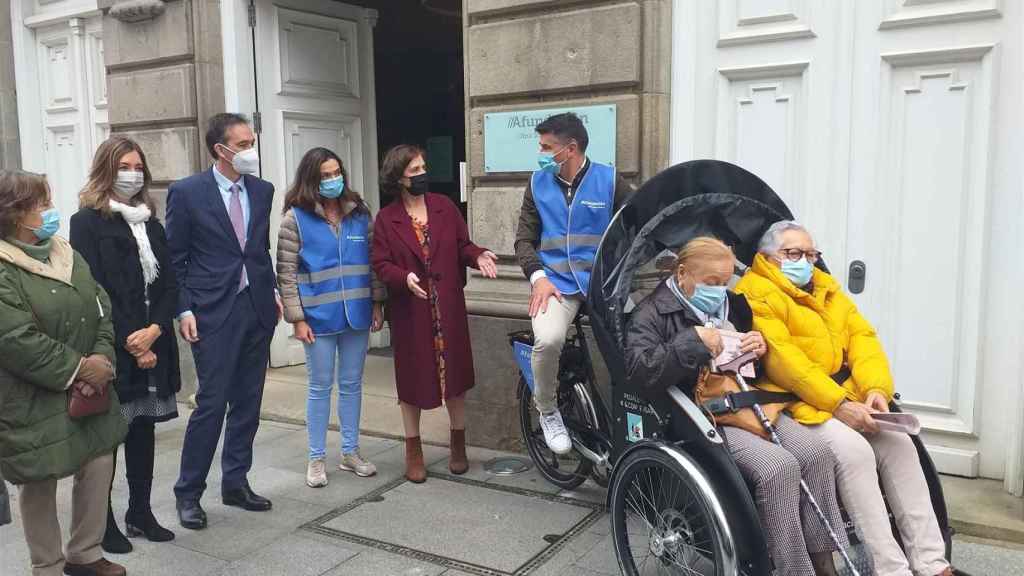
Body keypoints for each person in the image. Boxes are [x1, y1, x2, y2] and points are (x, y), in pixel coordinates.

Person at [735, 221, 953, 576]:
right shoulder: (755, 293)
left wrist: (875, 390)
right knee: (855, 453)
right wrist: (839, 405)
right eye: (793, 253)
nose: (805, 262)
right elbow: (786, 363)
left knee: (900, 443)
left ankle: (932, 563)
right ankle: (891, 569)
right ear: (768, 257)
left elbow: (863, 339)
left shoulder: (827, 288)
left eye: (811, 254)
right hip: (795, 401)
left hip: (847, 394)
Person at [626, 237, 847, 576]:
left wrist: (758, 348)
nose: (719, 291)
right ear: (682, 274)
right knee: (779, 468)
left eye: (725, 281)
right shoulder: (650, 313)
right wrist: (692, 342)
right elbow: (641, 372)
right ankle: (793, 570)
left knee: (817, 454)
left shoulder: (734, 305)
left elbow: (753, 368)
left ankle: (824, 561)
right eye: (711, 282)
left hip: (746, 400)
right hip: (701, 413)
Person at [0, 169, 127, 576]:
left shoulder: (65, 251)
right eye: (42, 204)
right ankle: (48, 566)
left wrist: (102, 360)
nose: (50, 210)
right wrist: (80, 369)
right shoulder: (4, 266)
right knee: (38, 478)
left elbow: (101, 307)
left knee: (98, 462)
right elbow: (15, 338)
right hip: (32, 395)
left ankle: (84, 554)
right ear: (15, 213)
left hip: (90, 387)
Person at [167, 113, 281, 530]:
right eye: (244, 144)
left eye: (252, 141)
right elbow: (174, 259)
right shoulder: (187, 192)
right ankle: (188, 493)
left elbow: (258, 249)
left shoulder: (263, 191)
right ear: (221, 150)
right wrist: (183, 309)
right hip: (212, 311)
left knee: (248, 403)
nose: (252, 150)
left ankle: (235, 482)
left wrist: (271, 290)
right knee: (212, 403)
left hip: (256, 308)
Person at [70, 136, 180, 552]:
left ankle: (140, 511)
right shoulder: (87, 222)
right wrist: (134, 340)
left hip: (154, 341)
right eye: (124, 167)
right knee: (109, 434)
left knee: (143, 429)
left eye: (138, 167)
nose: (133, 174)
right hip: (114, 345)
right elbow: (93, 289)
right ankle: (104, 522)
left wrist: (155, 330)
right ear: (106, 170)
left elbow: (169, 283)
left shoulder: (152, 223)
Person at [371, 144, 497, 483]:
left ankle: (458, 443)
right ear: (398, 177)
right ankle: (413, 449)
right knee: (412, 379)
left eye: (423, 167)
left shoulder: (444, 206)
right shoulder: (386, 219)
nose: (422, 174)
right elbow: (381, 263)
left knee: (455, 377)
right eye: (414, 170)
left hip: (447, 307)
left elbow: (462, 246)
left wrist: (478, 255)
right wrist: (403, 277)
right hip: (411, 310)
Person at [514, 112, 633, 455]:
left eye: (546, 147)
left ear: (570, 148)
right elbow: (523, 240)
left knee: (635, 343)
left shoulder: (609, 180)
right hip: (555, 284)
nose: (540, 153)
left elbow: (637, 222)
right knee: (549, 339)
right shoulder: (537, 183)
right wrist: (538, 278)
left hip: (601, 284)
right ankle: (548, 409)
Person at [277, 147, 386, 488]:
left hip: (356, 313)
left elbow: (374, 263)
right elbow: (286, 274)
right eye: (325, 175)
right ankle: (316, 458)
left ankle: (350, 452)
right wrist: (297, 318)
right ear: (311, 179)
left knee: (352, 384)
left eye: (336, 173)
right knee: (320, 387)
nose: (333, 180)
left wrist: (377, 302)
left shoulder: (359, 213)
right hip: (317, 318)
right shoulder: (295, 218)